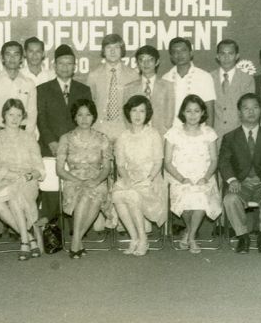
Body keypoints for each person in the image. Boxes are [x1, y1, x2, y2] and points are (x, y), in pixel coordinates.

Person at [220, 93, 261, 254]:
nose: (251, 111)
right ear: (239, 113)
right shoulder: (230, 137)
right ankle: (243, 237)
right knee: (230, 199)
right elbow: (224, 162)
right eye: (246, 108)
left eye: (255, 107)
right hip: (241, 184)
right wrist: (232, 180)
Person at [36, 44, 92, 224]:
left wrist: (76, 144)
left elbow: (86, 120)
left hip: (77, 147)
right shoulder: (42, 90)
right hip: (50, 146)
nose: (65, 67)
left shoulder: (84, 90)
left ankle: (75, 224)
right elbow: (41, 120)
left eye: (69, 63)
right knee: (51, 189)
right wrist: (52, 142)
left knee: (76, 185)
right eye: (61, 63)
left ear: (75, 66)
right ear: (54, 65)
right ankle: (51, 226)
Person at [0, 99, 45, 261]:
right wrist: (13, 176)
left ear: (23, 117)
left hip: (27, 182)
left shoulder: (29, 138)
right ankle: (29, 237)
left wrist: (27, 176)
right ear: (4, 116)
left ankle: (25, 242)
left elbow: (40, 169)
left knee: (14, 197)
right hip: (5, 181)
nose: (14, 119)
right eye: (11, 114)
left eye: (19, 115)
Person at [164, 94, 222, 254]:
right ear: (183, 112)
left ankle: (190, 236)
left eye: (197, 111)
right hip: (179, 178)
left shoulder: (209, 133)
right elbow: (167, 162)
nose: (192, 115)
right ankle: (191, 235)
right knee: (186, 197)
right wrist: (181, 178)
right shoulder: (173, 133)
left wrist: (206, 177)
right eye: (188, 111)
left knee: (201, 197)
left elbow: (214, 160)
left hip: (204, 177)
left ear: (203, 112)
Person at [56, 99, 112, 258]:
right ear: (75, 117)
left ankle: (75, 241)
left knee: (94, 195)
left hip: (96, 178)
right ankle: (77, 242)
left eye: (88, 114)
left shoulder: (102, 138)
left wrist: (96, 181)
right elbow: (59, 170)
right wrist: (79, 181)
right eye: (80, 115)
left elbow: (106, 168)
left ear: (93, 116)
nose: (84, 119)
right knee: (85, 195)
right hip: (73, 179)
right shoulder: (66, 138)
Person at [112, 95, 165, 256]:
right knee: (117, 195)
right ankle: (134, 238)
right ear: (128, 113)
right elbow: (120, 165)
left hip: (151, 180)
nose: (137, 115)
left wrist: (148, 179)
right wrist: (127, 179)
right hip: (129, 178)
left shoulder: (153, 134)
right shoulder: (123, 137)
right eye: (134, 110)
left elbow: (158, 163)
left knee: (132, 195)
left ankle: (143, 239)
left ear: (147, 114)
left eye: (142, 111)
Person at [87, 34, 139, 141]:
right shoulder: (94, 75)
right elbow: (89, 105)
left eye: (116, 47)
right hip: (99, 129)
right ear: (103, 51)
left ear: (122, 50)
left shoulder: (133, 75)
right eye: (108, 47)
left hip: (125, 129)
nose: (112, 51)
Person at [0, 40, 37, 137]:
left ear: (21, 58)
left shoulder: (29, 83)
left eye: (16, 54)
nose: (12, 58)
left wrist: (27, 138)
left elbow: (32, 114)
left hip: (22, 134)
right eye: (8, 54)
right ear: (2, 58)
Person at [162, 37, 216, 127]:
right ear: (171, 56)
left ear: (191, 53)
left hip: (198, 131)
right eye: (175, 52)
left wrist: (208, 133)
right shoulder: (165, 78)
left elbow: (210, 110)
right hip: (172, 131)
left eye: (183, 50)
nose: (179, 54)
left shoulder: (204, 77)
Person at [123, 45, 174, 137]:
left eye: (150, 60)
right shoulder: (129, 88)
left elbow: (169, 117)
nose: (146, 63)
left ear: (157, 62)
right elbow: (126, 116)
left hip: (160, 136)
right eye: (141, 59)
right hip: (136, 136)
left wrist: (163, 133)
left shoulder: (167, 86)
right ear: (137, 63)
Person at [210, 39, 254, 144]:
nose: (226, 57)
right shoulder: (209, 78)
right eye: (222, 53)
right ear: (217, 56)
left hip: (238, 137)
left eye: (230, 53)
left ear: (237, 56)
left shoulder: (247, 80)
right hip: (214, 137)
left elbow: (248, 112)